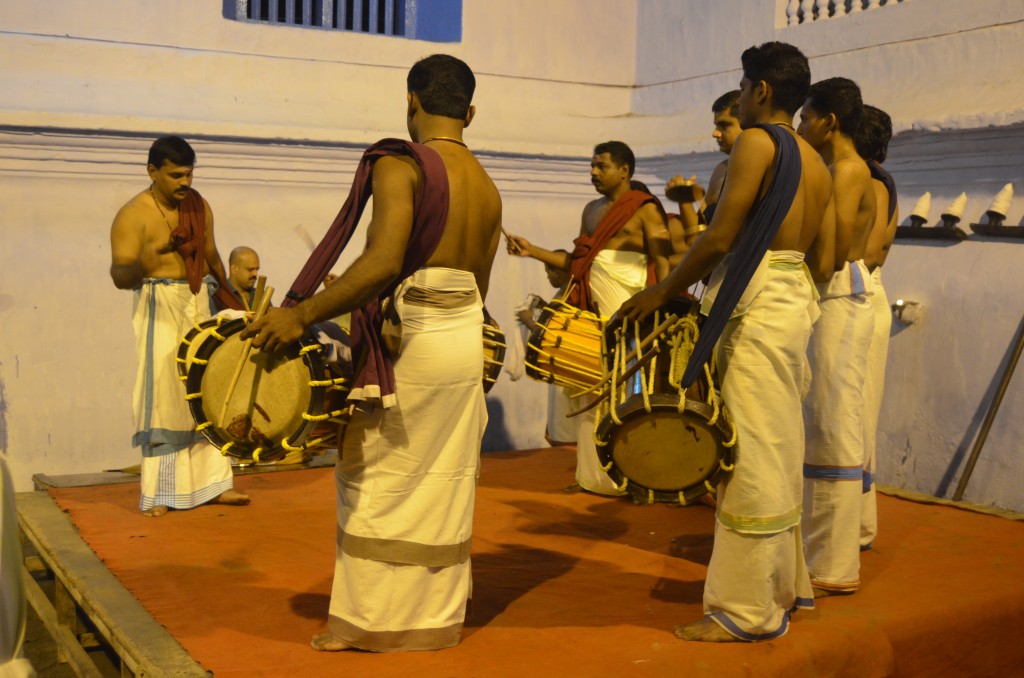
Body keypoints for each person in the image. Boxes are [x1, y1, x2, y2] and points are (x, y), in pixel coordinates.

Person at [242, 54, 501, 652]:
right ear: (471, 112)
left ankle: (370, 622)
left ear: (410, 101)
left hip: (414, 339)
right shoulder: (487, 185)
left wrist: (302, 313)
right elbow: (478, 287)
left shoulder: (400, 164)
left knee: (376, 471)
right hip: (462, 339)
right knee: (441, 481)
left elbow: (385, 262)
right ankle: (432, 621)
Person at [619, 41, 833, 641]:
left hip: (759, 300)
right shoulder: (814, 161)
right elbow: (824, 257)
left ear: (761, 90)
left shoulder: (758, 142)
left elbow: (719, 238)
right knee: (779, 444)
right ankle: (788, 588)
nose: (738, 99)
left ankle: (746, 610)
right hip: (790, 300)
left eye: (741, 88)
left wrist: (663, 292)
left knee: (753, 458)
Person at [506, 142, 671, 496]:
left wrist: (661, 310)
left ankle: (634, 478)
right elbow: (578, 265)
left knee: (629, 396)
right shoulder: (591, 211)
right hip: (594, 315)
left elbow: (667, 266)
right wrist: (532, 250)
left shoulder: (645, 210)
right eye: (592, 166)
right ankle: (593, 478)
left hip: (632, 316)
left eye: (602, 166)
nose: (594, 172)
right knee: (589, 390)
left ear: (625, 170)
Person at [109, 135, 250, 517]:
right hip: (160, 307)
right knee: (166, 394)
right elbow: (119, 274)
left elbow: (211, 256)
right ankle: (162, 494)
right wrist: (149, 261)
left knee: (206, 386)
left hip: (199, 302)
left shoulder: (198, 205)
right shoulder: (132, 214)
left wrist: (232, 297)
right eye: (175, 175)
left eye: (188, 174)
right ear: (152, 171)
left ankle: (215, 485)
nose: (184, 183)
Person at [797, 77, 878, 597]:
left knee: (834, 422)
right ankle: (822, 551)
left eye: (806, 117)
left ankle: (835, 563)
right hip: (833, 293)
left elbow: (834, 250)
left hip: (840, 292)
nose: (801, 125)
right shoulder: (834, 168)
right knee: (823, 419)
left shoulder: (848, 170)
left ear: (829, 122)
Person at [855, 105, 898, 551]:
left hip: (861, 295)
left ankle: (853, 525)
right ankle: (853, 523)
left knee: (855, 414)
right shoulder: (871, 177)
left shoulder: (870, 180)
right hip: (860, 293)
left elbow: (871, 252)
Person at [666, 89, 744, 255]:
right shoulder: (721, 170)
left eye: (724, 125)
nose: (715, 134)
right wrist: (685, 199)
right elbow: (697, 238)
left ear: (747, 123)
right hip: (720, 270)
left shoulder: (768, 166)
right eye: (716, 126)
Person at [515, 253, 577, 446]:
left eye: (548, 273)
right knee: (563, 427)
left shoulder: (567, 293)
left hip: (563, 366)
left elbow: (554, 335)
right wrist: (544, 306)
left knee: (564, 433)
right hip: (563, 367)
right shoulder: (570, 290)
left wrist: (528, 321)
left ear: (557, 271)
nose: (547, 278)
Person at [213, 245, 261, 311]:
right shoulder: (219, 296)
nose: (255, 274)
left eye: (257, 269)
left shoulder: (260, 295)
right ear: (234, 269)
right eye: (250, 269)